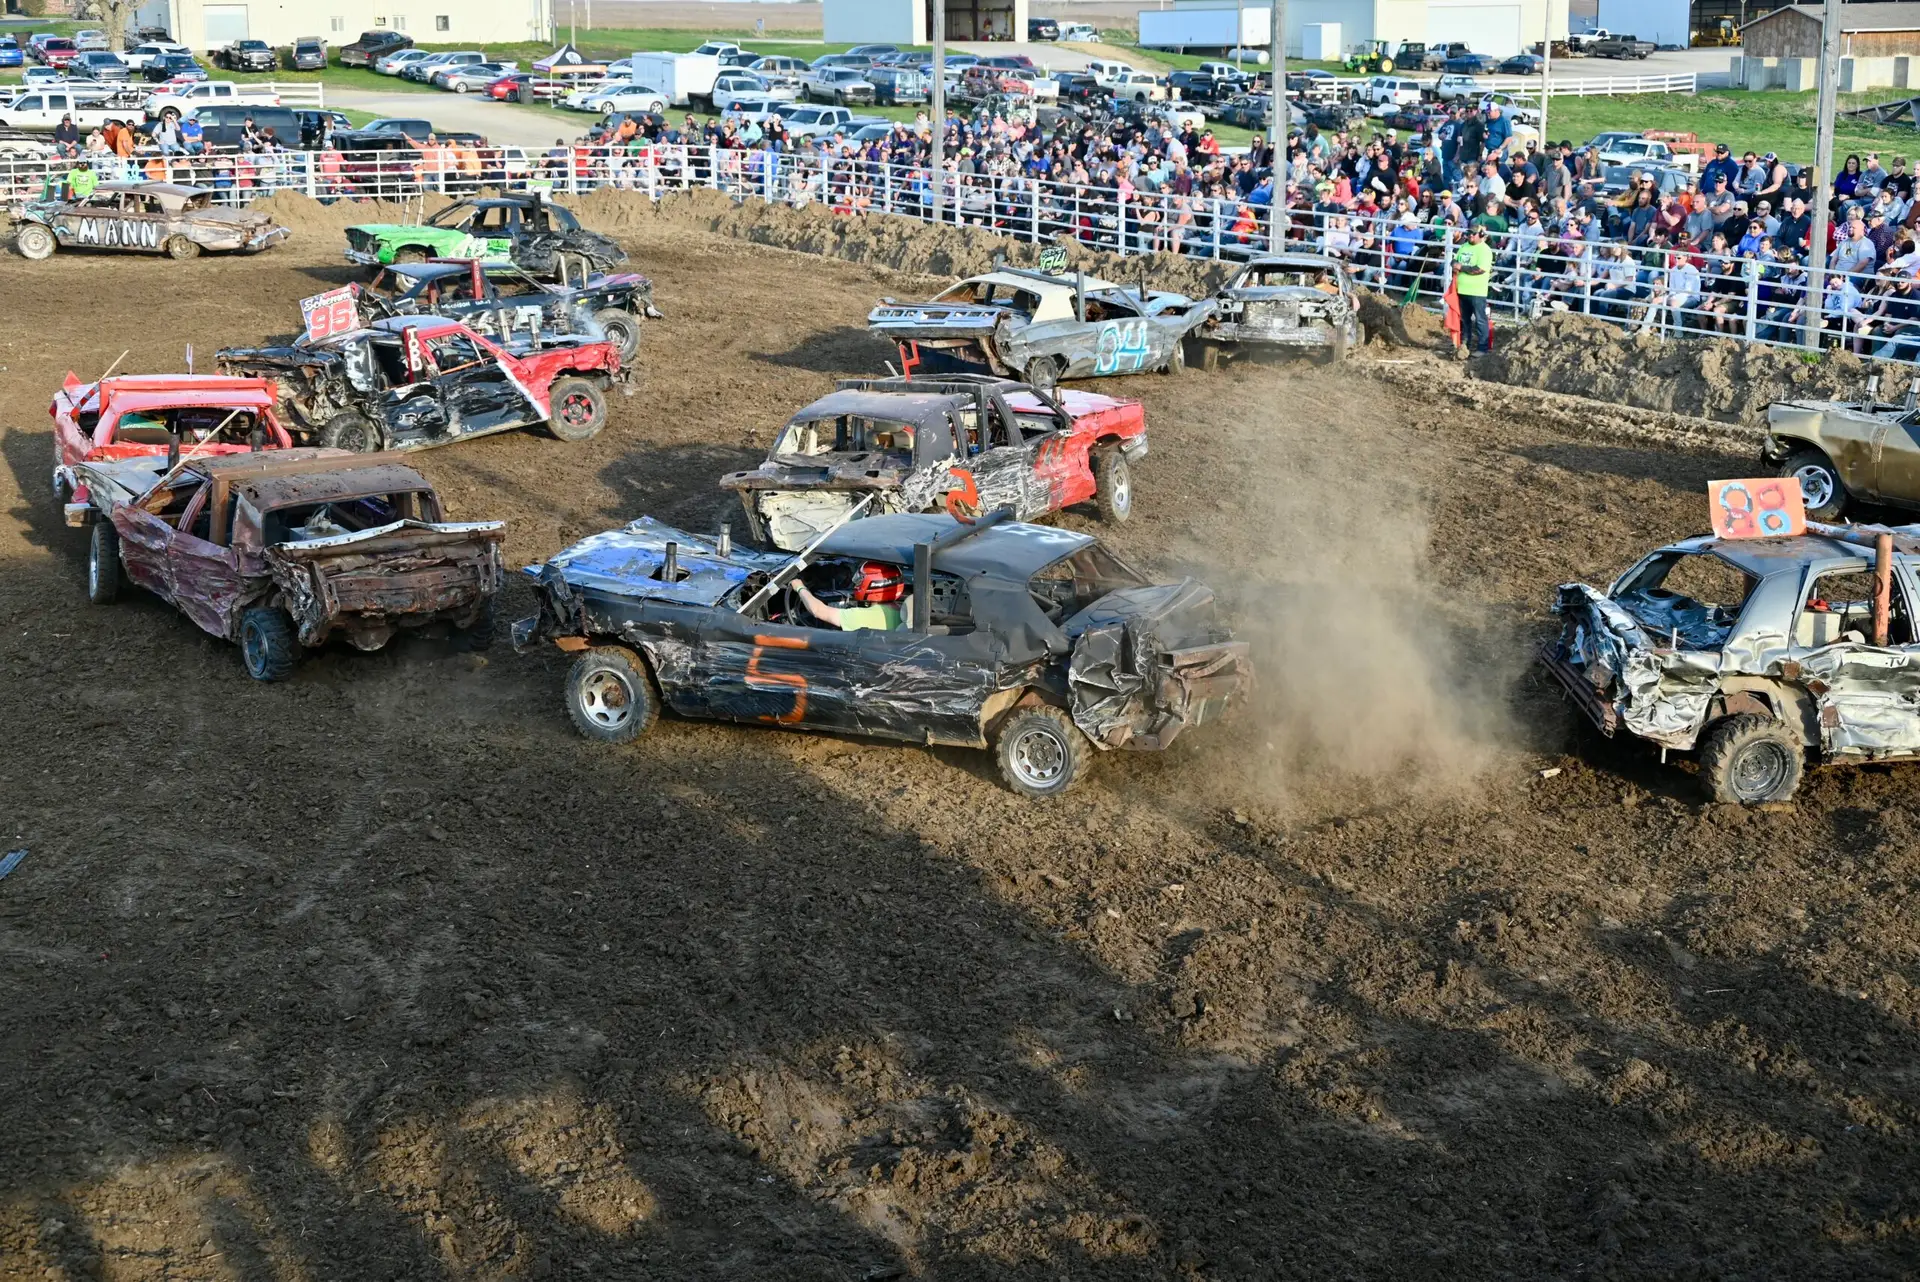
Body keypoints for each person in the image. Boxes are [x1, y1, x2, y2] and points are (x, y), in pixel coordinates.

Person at [791, 563, 908, 630]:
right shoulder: (905, 612)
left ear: (873, 584)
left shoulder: (862, 617)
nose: (857, 584)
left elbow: (818, 611)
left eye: (860, 580)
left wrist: (800, 588)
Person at [1453, 221, 1493, 356]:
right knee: (1464, 319)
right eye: (1469, 233)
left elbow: (1480, 269)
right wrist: (1454, 265)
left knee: (1480, 320)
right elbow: (1454, 259)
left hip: (1477, 291)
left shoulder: (1485, 250)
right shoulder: (1463, 246)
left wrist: (1461, 267)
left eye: (1473, 234)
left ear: (1480, 235)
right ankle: (1465, 344)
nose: (1470, 236)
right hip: (1462, 290)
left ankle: (1482, 348)